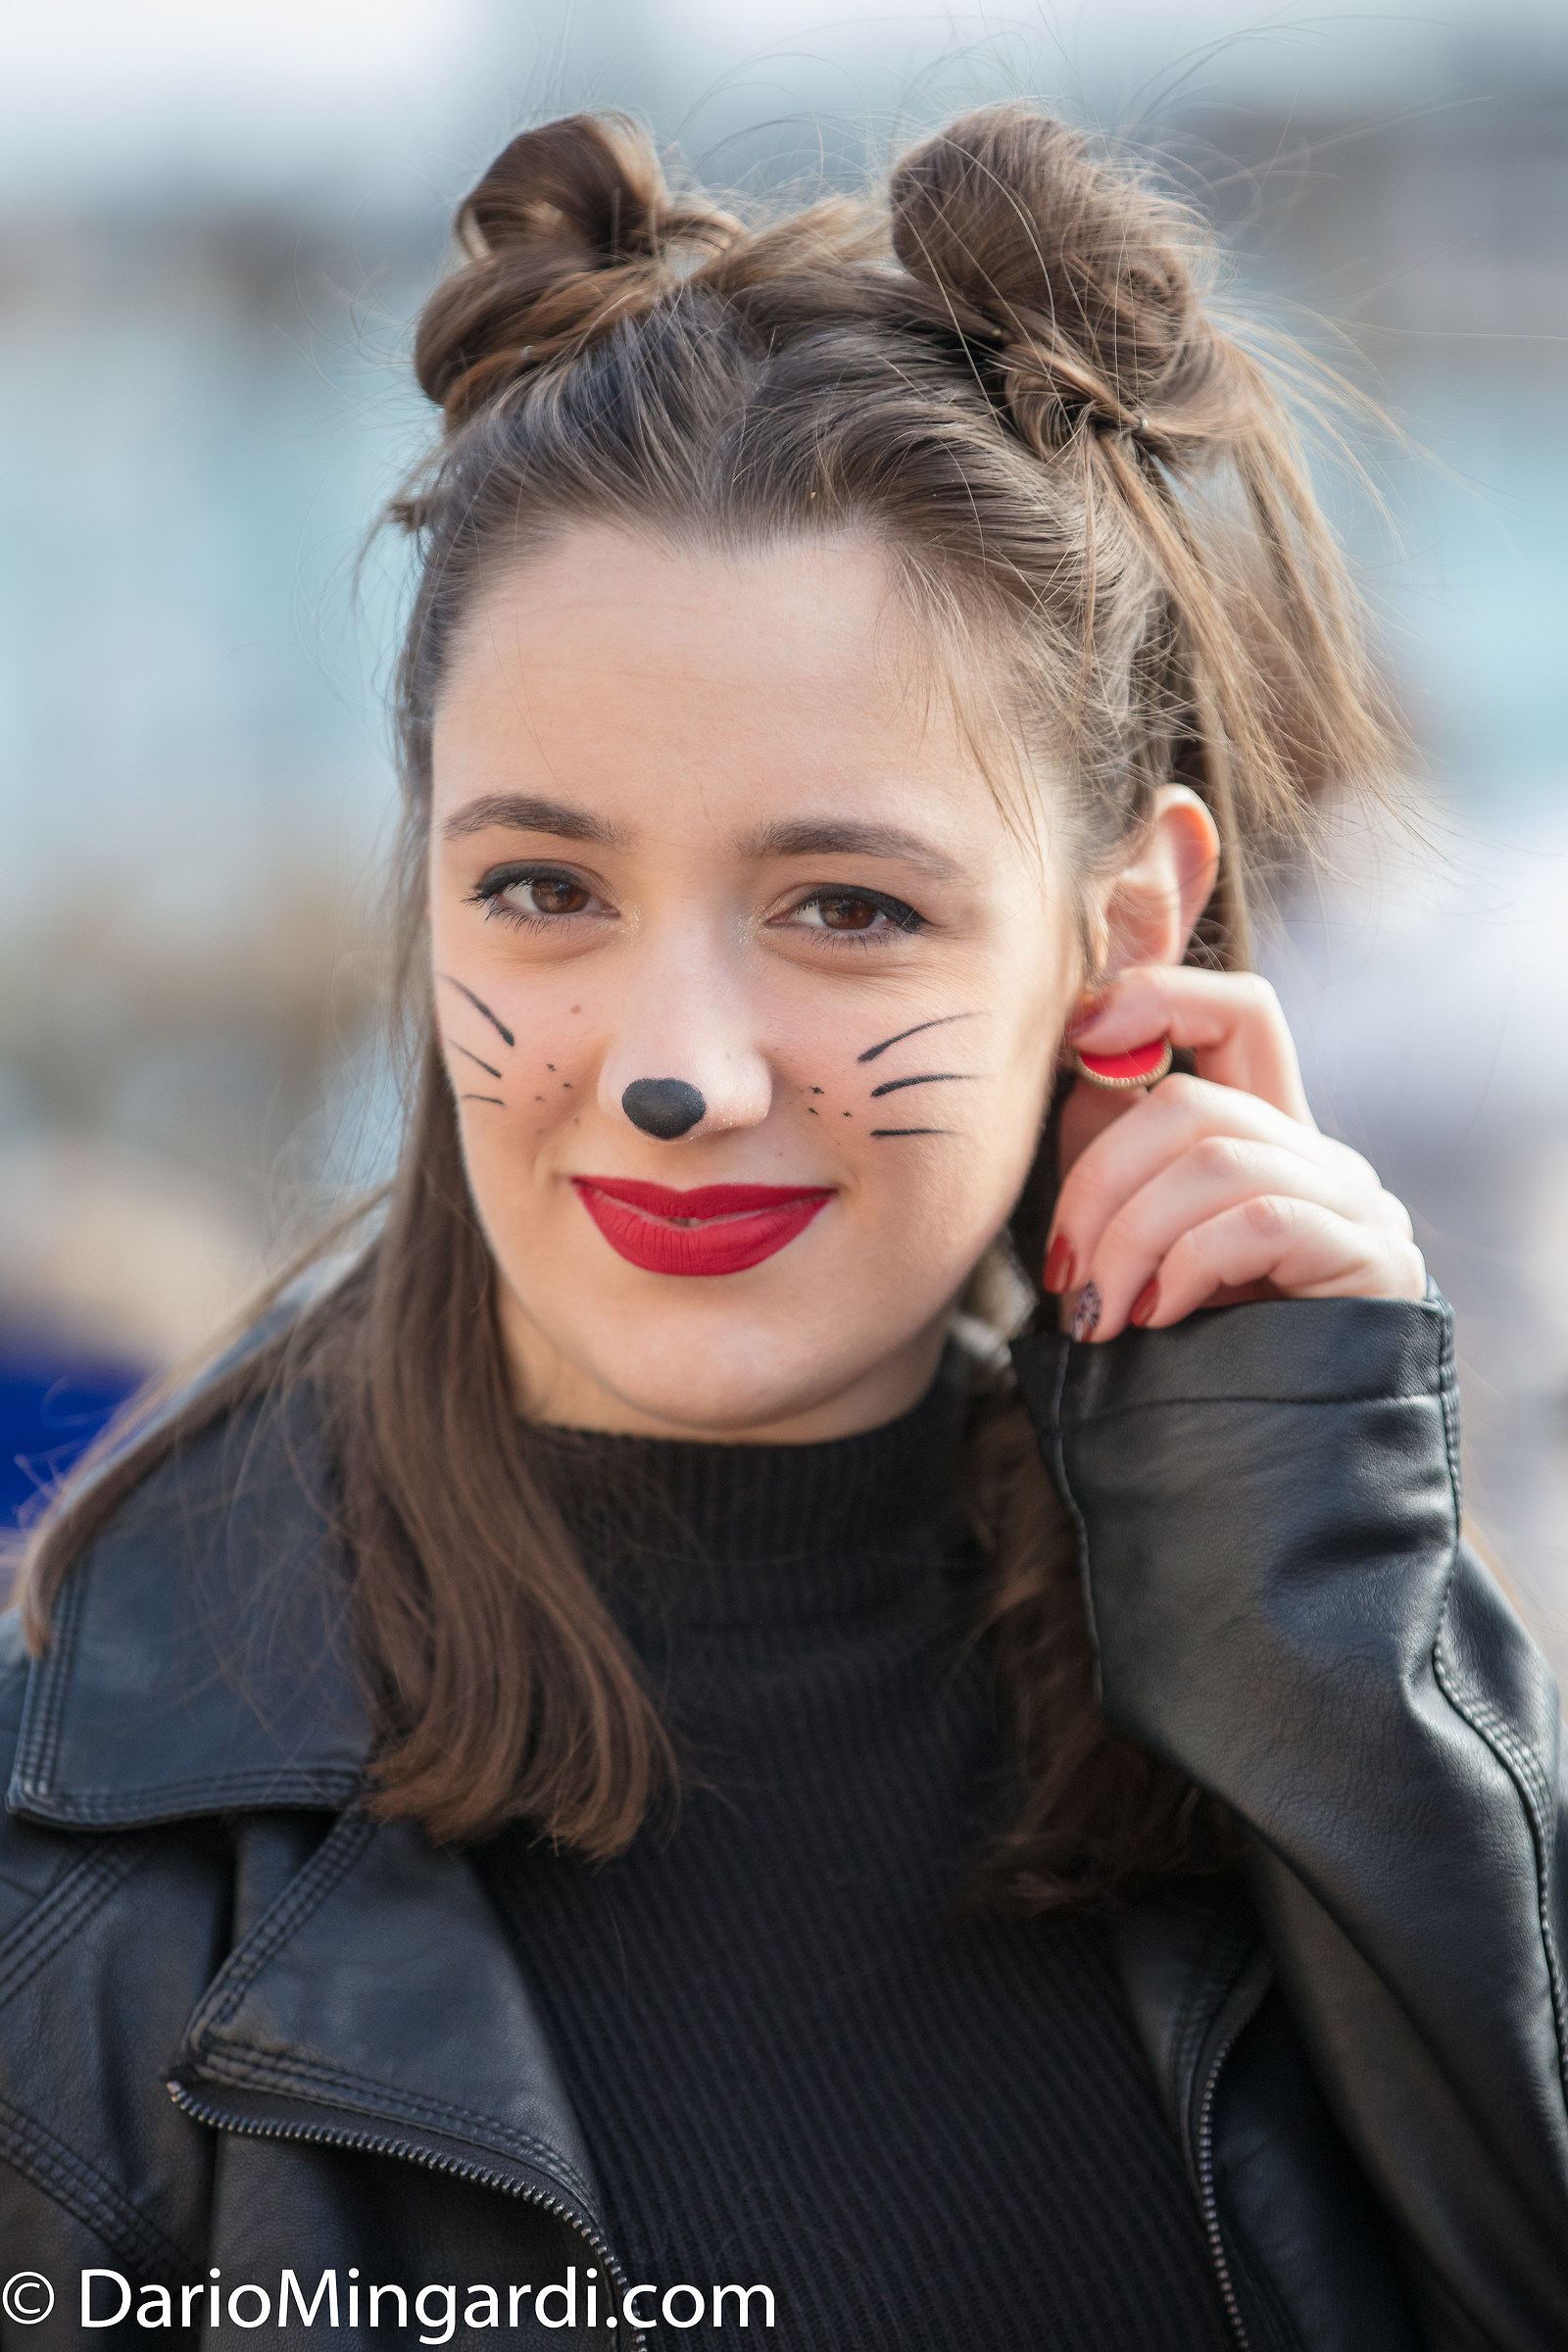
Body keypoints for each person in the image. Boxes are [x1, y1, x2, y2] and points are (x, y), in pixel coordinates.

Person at [1, 103, 1564, 2352]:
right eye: (541, 890)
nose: (674, 1070)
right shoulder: (75, 1883)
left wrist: (1320, 1586)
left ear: (1126, 929)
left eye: (845, 907)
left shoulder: (1315, 1684)